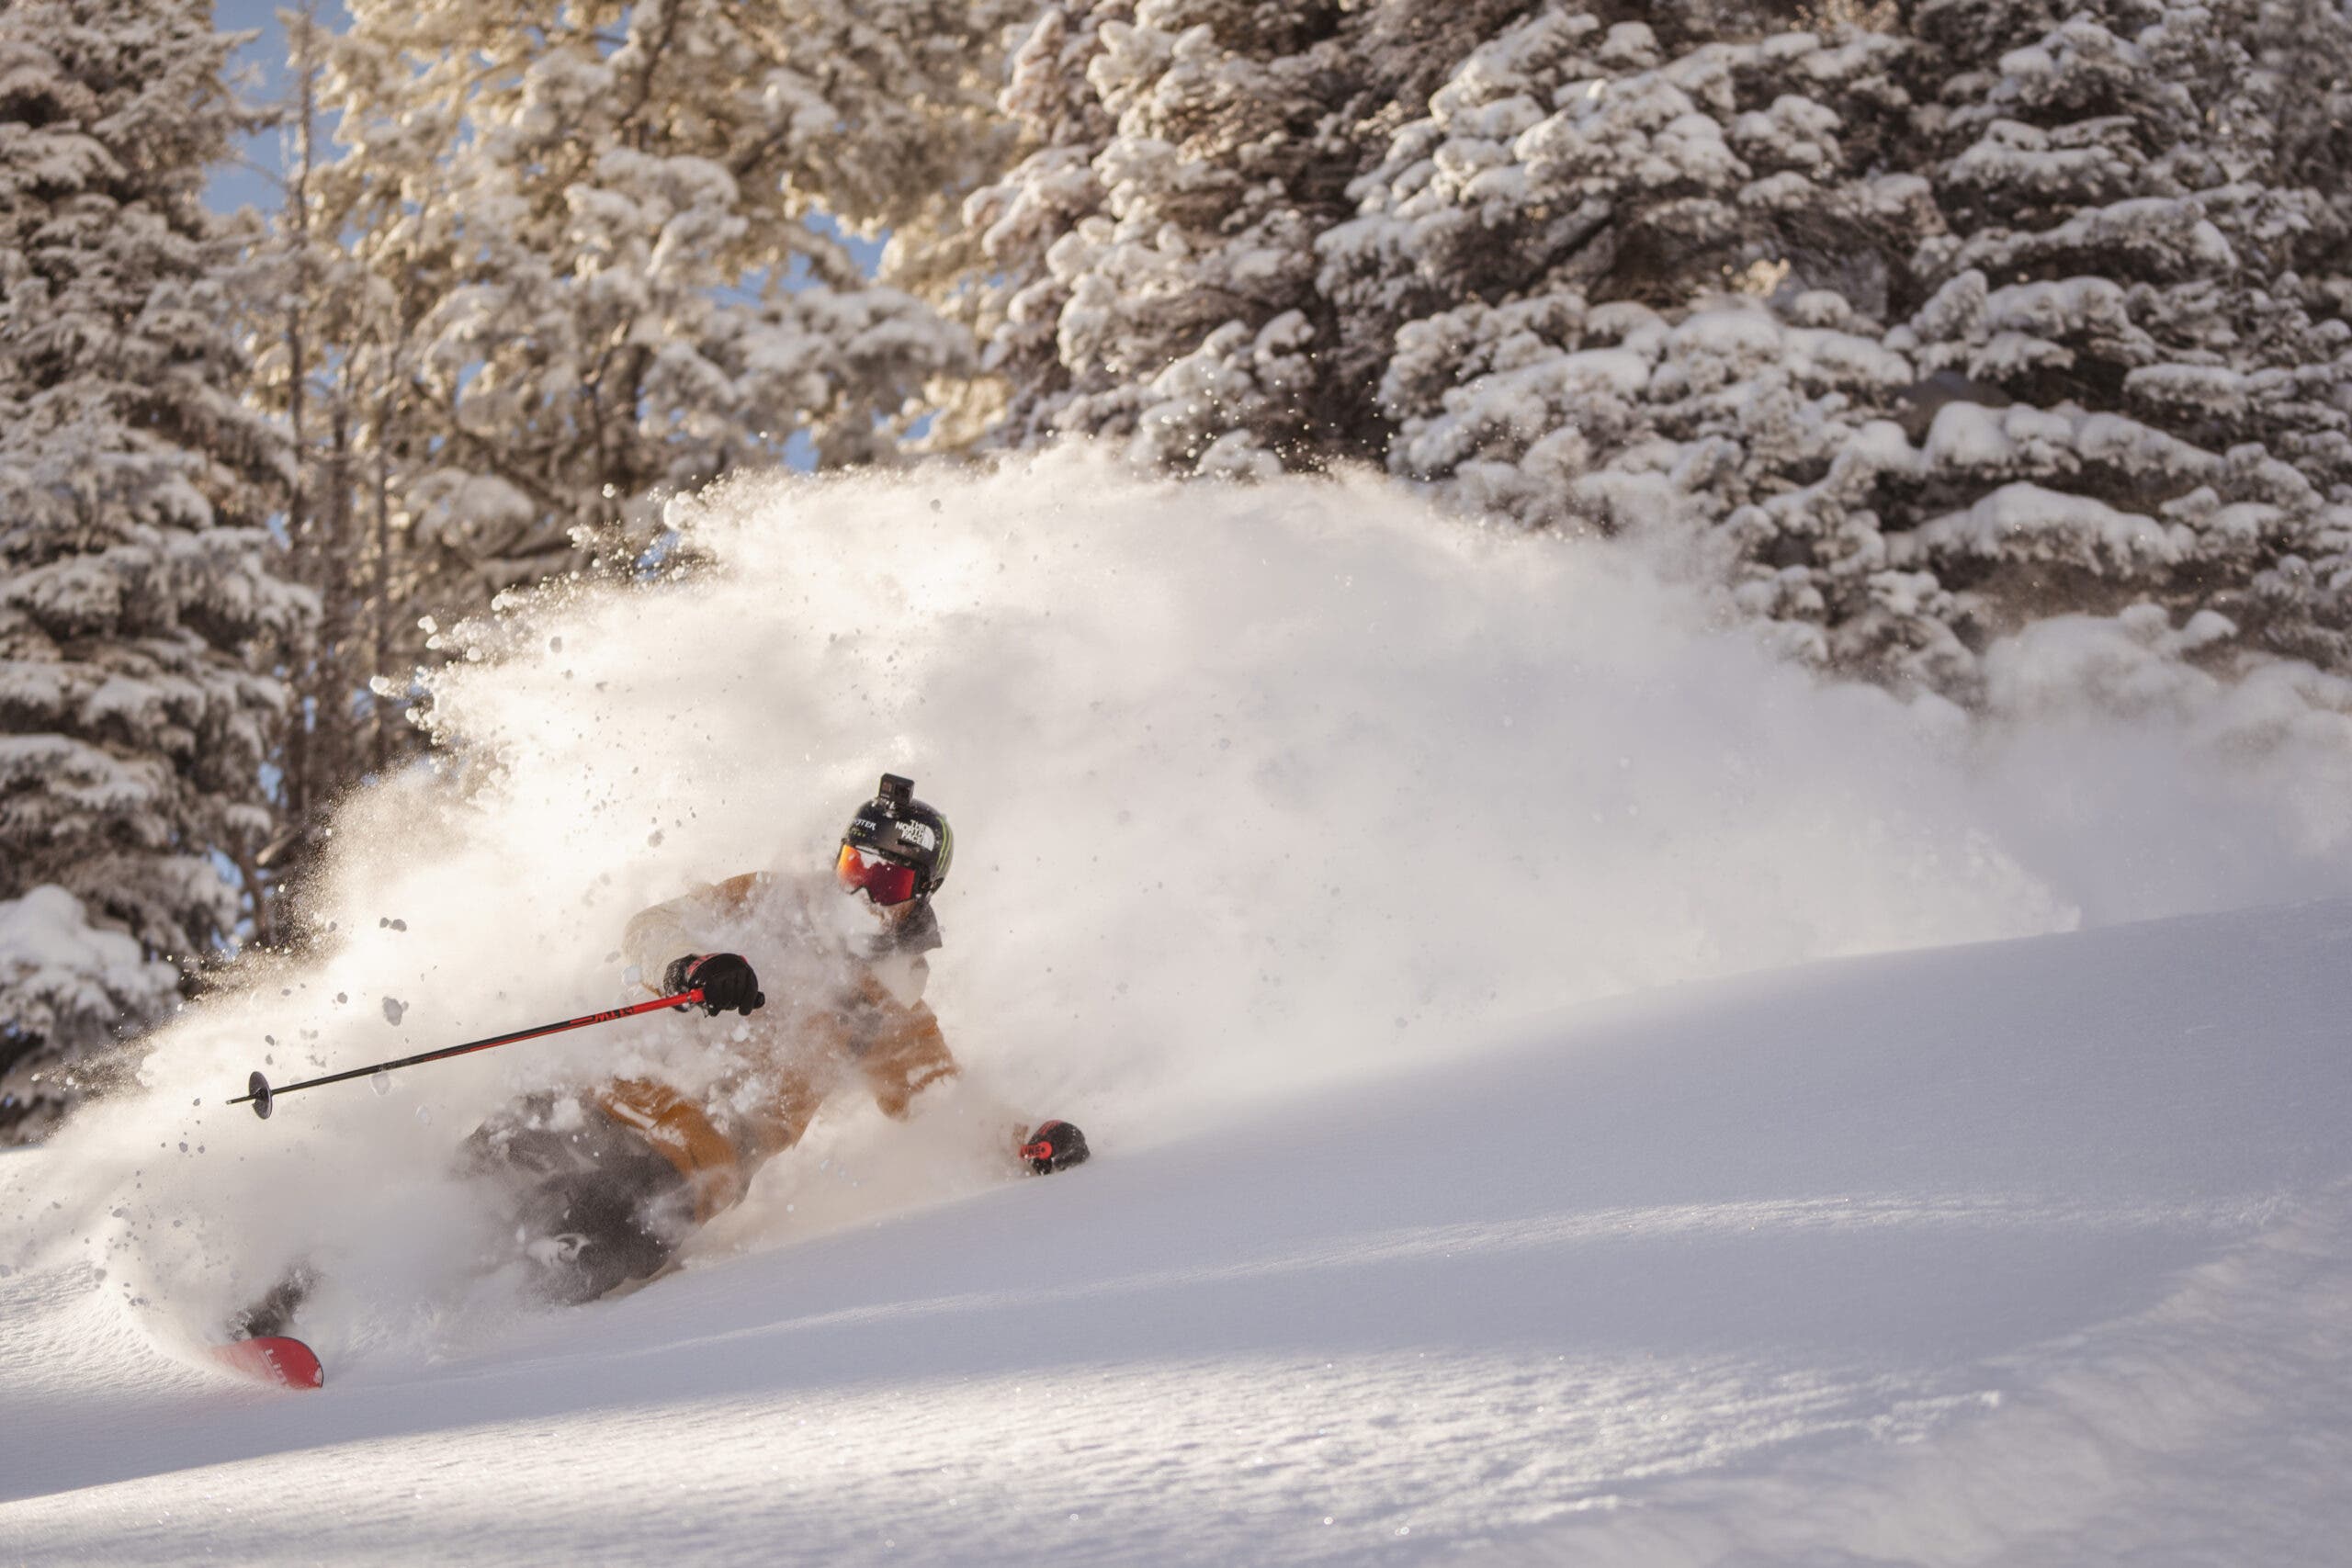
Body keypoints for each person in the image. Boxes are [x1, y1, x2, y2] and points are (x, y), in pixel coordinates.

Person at [233, 774, 1086, 1337]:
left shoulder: (885, 1009)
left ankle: (408, 1366)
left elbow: (940, 1104)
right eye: (853, 861)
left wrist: (1025, 1140)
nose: (860, 886)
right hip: (595, 1098)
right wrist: (694, 966)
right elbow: (650, 930)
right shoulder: (766, 903)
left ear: (917, 900)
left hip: (679, 1173)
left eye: (890, 879)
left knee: (542, 1267)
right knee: (456, 1194)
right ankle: (283, 1307)